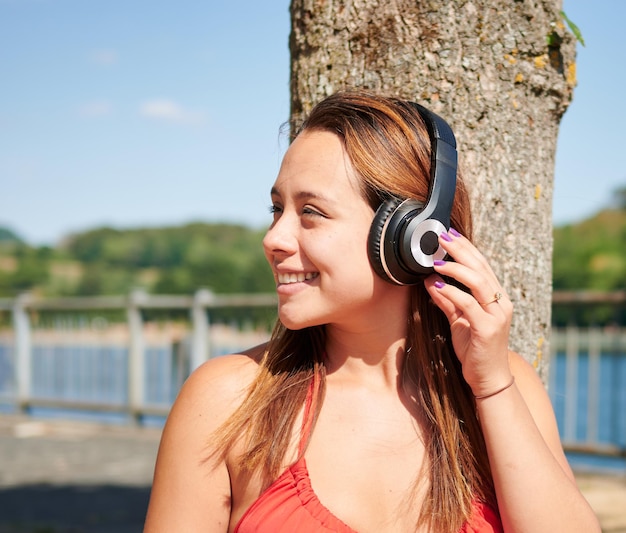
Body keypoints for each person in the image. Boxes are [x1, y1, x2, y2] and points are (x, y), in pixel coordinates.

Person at [143, 90, 600, 533]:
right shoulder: (226, 401)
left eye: (311, 212)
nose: (273, 239)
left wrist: (492, 386)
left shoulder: (503, 387)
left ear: (409, 237)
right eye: (277, 209)